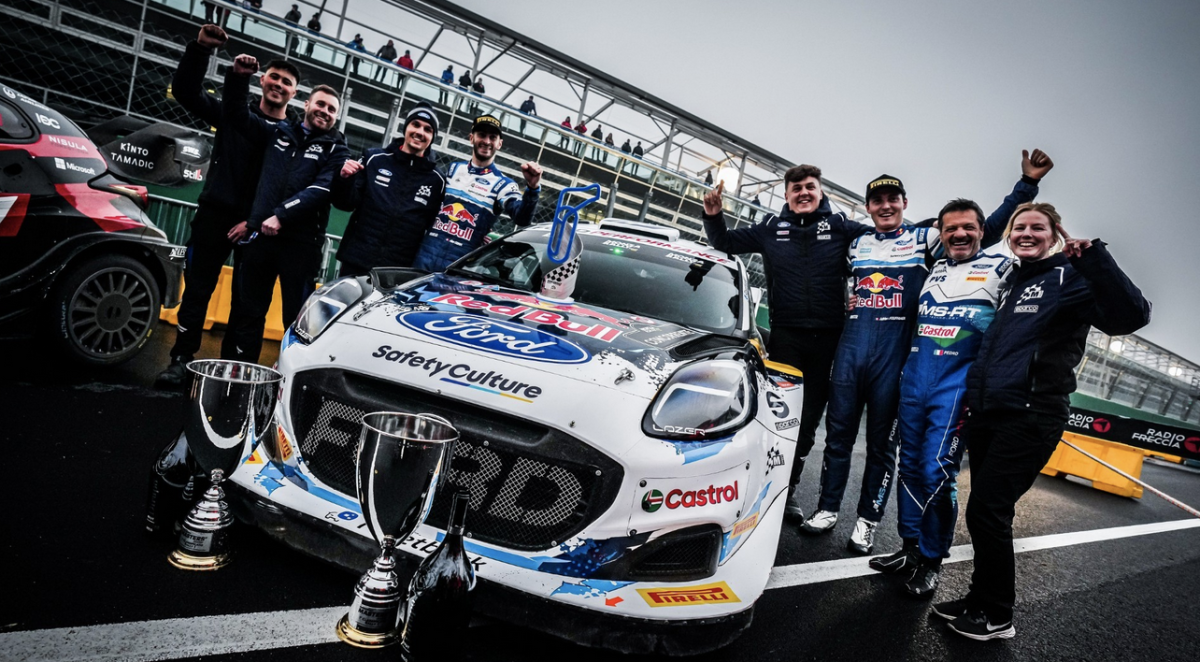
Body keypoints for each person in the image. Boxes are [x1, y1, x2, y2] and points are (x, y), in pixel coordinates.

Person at [800, 151, 1051, 556]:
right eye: (877, 201)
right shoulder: (857, 242)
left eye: (892, 199)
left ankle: (867, 520)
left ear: (904, 203)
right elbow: (816, 257)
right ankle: (827, 508)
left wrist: (1026, 185)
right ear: (868, 207)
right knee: (838, 437)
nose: (885, 206)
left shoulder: (925, 238)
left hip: (894, 358)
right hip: (850, 352)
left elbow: (980, 230)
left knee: (881, 446)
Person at [934, 203, 1150, 641]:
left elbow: (1132, 316)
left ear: (1054, 236)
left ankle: (997, 614)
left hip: (1032, 415)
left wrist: (1094, 259)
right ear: (1009, 236)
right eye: (1019, 227)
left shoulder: (1071, 276)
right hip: (992, 412)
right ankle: (979, 599)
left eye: (1038, 227)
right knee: (985, 512)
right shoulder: (1014, 280)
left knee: (988, 511)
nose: (1026, 234)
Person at [702, 167, 872, 530]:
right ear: (787, 195)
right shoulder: (770, 228)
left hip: (830, 341)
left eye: (810, 187)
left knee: (806, 423)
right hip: (786, 340)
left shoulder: (841, 225)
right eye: (797, 188)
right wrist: (713, 216)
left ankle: (787, 490)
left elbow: (884, 239)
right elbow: (725, 243)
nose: (804, 193)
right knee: (776, 418)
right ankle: (757, 487)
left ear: (821, 192)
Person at [867, 198, 1011, 597]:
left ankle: (931, 561)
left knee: (935, 472)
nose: (959, 234)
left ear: (982, 231)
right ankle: (910, 548)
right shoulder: (933, 267)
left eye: (968, 227)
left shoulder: (1003, 269)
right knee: (909, 467)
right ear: (941, 234)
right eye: (951, 229)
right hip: (914, 381)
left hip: (956, 389)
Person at [155, 24, 298, 388]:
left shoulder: (292, 136)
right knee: (197, 292)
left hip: (258, 227)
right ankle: (181, 360)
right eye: (274, 77)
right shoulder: (232, 113)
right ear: (262, 80)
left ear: (294, 93)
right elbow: (185, 91)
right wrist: (201, 48)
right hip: (215, 216)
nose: (279, 84)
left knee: (248, 306)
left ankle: (233, 374)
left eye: (287, 82)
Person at [220, 54, 350, 363]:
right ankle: (242, 373)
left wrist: (280, 215)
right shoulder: (278, 131)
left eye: (332, 109)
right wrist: (238, 78)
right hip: (262, 240)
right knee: (249, 313)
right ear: (306, 104)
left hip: (302, 246)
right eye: (320, 104)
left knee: (297, 320)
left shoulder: (338, 149)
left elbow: (321, 189)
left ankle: (289, 377)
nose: (325, 111)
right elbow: (237, 115)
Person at [412, 115, 542, 272]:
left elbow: (522, 218)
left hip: (459, 267)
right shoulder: (453, 169)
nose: (486, 141)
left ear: (499, 144)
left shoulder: (503, 184)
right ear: (471, 138)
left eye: (492, 137)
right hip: (424, 258)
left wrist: (533, 188)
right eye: (482, 135)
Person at [333, 102, 446, 276]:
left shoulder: (437, 180)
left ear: (432, 137)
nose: (420, 132)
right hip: (357, 261)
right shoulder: (374, 159)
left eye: (428, 129)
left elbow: (436, 226)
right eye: (415, 124)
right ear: (405, 128)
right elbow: (346, 203)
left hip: (397, 272)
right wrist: (344, 179)